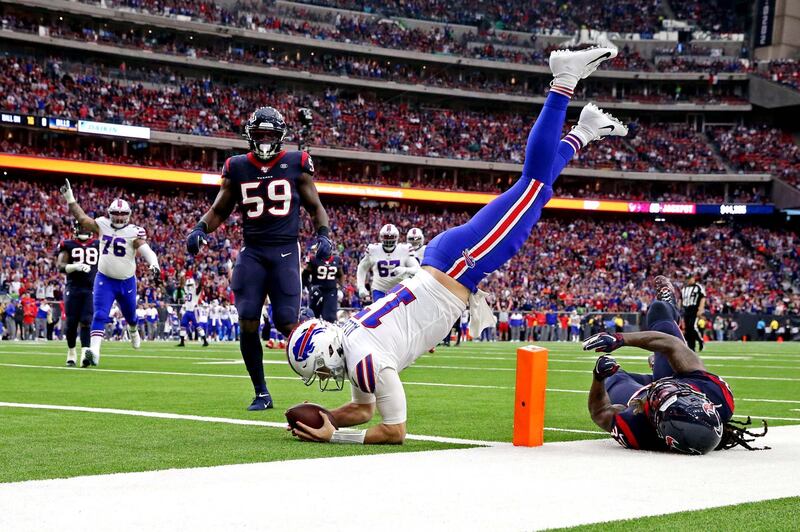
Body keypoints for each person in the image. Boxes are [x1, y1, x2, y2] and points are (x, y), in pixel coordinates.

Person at [285, 46, 626, 444]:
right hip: (448, 266)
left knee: (532, 186)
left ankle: (563, 81)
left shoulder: (365, 358)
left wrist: (334, 438)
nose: (324, 377)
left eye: (320, 370)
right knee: (536, 191)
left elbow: (393, 431)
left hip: (457, 267)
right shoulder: (355, 348)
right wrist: (328, 419)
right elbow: (363, 410)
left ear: (325, 353)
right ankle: (583, 131)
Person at [186, 106, 332, 411]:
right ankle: (261, 392)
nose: (265, 140)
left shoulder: (295, 162)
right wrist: (200, 228)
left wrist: (323, 234)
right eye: (260, 134)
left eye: (270, 135)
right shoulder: (237, 167)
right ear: (250, 136)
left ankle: (326, 358)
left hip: (285, 251)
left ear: (280, 137)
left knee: (287, 321)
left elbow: (315, 206)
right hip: (252, 251)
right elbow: (220, 209)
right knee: (248, 318)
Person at [584, 276, 768, 453]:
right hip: (680, 377)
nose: (661, 389)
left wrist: (598, 378)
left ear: (659, 426)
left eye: (661, 396)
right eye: (669, 392)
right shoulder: (716, 394)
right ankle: (670, 304)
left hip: (644, 401)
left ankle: (617, 378)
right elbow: (672, 344)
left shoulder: (638, 430)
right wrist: (620, 339)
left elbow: (600, 412)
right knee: (659, 311)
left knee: (612, 377)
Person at [60, 181, 161, 367]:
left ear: (129, 215)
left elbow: (145, 249)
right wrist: (70, 198)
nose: (120, 218)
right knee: (99, 314)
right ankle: (94, 353)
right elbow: (82, 220)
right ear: (110, 214)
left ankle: (133, 330)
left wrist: (154, 263)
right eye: (116, 214)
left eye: (123, 214)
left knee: (131, 316)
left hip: (126, 281)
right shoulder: (102, 225)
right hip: (104, 279)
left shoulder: (134, 232)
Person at [356, 224, 419, 302]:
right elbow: (362, 267)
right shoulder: (373, 249)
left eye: (391, 237)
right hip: (380, 290)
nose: (389, 240)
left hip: (401, 289)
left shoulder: (404, 249)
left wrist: (405, 270)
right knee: (381, 313)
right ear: (381, 237)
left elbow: (417, 269)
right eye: (386, 237)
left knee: (403, 313)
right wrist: (361, 286)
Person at [304, 249, 344, 323]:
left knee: (330, 318)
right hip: (317, 291)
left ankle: (329, 333)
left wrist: (341, 286)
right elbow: (304, 275)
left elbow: (341, 275)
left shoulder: (336, 259)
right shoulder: (314, 259)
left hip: (330, 291)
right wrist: (310, 287)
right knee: (313, 317)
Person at [176, 275, 207, 347]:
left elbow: (200, 287)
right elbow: (182, 284)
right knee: (183, 325)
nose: (189, 286)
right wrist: (182, 277)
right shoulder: (186, 290)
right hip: (187, 311)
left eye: (191, 285)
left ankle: (205, 341)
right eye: (188, 285)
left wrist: (202, 280)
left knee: (198, 326)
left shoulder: (196, 290)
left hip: (194, 311)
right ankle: (182, 342)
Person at [680, 273, 706, 351]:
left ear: (693, 278)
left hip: (694, 309)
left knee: (693, 327)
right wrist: (680, 308)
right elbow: (681, 299)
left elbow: (702, 297)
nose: (688, 280)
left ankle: (700, 341)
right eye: (687, 279)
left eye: (689, 278)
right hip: (686, 309)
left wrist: (700, 309)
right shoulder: (684, 288)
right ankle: (691, 347)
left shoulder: (698, 287)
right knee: (688, 329)